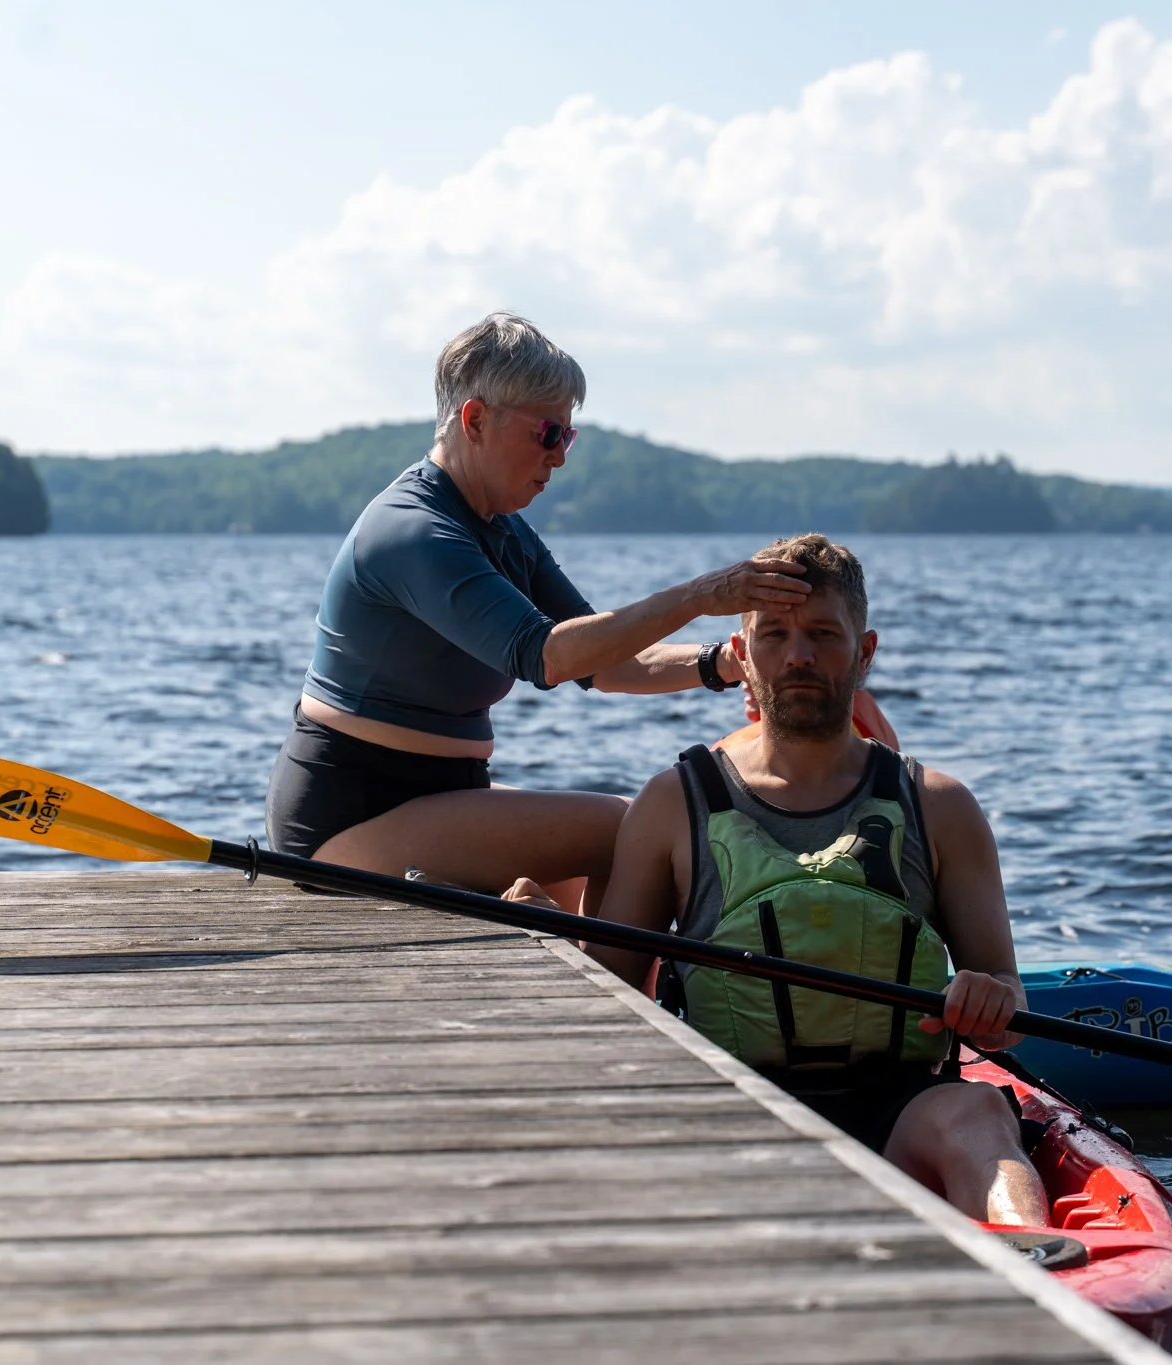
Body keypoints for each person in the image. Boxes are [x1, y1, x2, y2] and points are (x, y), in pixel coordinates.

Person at [507, 533, 1047, 1226]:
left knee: (974, 1110)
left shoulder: (939, 807)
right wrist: (541, 940)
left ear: (866, 651)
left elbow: (1007, 999)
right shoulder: (673, 804)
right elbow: (614, 1001)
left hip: (903, 1108)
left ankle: (1034, 1257)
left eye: (824, 633)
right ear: (741, 652)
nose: (798, 654)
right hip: (737, 1103)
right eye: (775, 633)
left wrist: (989, 999)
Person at [266, 314, 809, 913]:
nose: (560, 458)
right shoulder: (414, 531)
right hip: (346, 819)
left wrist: (725, 663)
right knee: (621, 830)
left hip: (430, 799)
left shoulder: (503, 530)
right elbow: (548, 655)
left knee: (574, 883)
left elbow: (602, 664)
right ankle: (618, 994)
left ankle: (616, 986)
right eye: (548, 434)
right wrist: (702, 595)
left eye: (568, 439)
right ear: (475, 420)